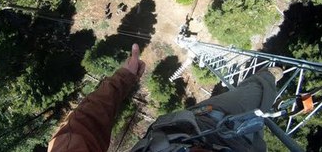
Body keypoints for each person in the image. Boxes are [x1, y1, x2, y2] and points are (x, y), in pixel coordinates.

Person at [48, 44, 282, 152]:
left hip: (189, 130)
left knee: (252, 97)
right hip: (207, 132)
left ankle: (266, 81)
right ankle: (267, 79)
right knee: (255, 92)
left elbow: (83, 128)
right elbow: (82, 127)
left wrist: (124, 78)